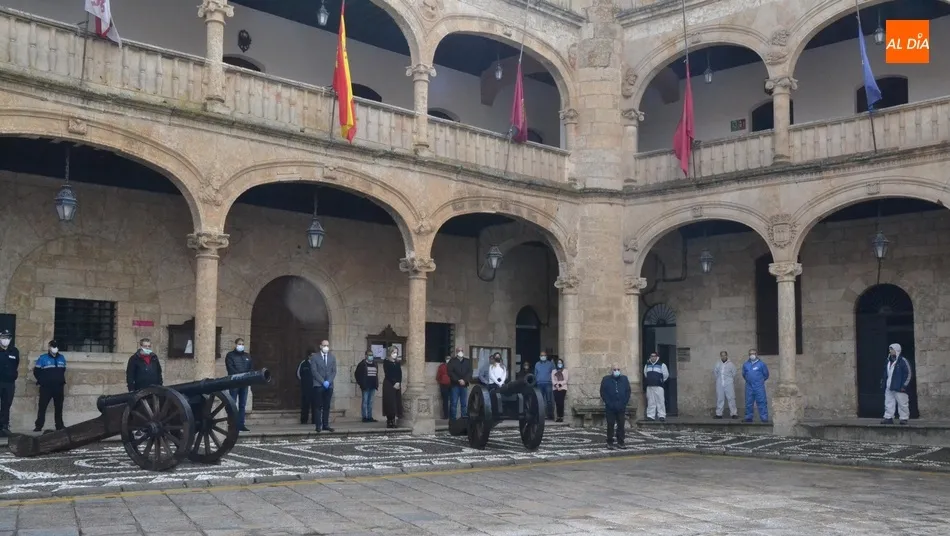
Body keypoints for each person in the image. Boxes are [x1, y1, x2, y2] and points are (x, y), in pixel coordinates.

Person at [33, 339, 67, 432]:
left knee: (59, 407)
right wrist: (42, 381)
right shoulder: (43, 358)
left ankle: (59, 425)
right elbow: (36, 371)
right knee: (42, 407)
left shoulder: (62, 358)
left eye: (56, 346)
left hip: (59, 387)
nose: (54, 348)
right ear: (49, 347)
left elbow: (63, 370)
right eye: (53, 346)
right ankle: (38, 426)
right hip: (46, 388)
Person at [224, 338, 253, 432]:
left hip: (245, 383)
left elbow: (251, 368)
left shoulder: (247, 356)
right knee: (233, 403)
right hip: (234, 382)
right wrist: (240, 376)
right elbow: (230, 368)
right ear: (235, 344)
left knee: (242, 404)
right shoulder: (230, 355)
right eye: (239, 344)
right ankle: (232, 424)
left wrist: (246, 377)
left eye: (242, 344)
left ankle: (241, 424)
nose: (241, 345)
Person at [600, 364, 631, 449]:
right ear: (611, 371)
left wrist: (624, 402)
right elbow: (603, 392)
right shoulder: (606, 379)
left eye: (618, 369)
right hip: (610, 406)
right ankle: (609, 442)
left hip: (621, 406)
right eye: (614, 369)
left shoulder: (624, 379)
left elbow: (628, 391)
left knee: (621, 425)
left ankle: (621, 442)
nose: (616, 371)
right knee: (610, 424)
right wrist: (608, 402)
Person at [308, 339, 337, 432]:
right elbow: (314, 371)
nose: (326, 347)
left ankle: (326, 425)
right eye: (324, 345)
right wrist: (322, 381)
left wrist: (328, 381)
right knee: (318, 406)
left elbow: (334, 371)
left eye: (327, 345)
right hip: (318, 385)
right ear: (320, 346)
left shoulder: (332, 357)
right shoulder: (315, 357)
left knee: (327, 406)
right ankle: (318, 426)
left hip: (329, 385)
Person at [881, 343, 913, 425]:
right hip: (889, 386)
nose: (890, 351)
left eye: (892, 349)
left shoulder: (903, 361)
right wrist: (883, 383)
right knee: (888, 402)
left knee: (902, 403)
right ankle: (888, 417)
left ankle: (904, 418)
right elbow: (885, 373)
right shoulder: (888, 361)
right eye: (890, 349)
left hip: (899, 386)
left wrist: (904, 386)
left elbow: (908, 373)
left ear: (897, 350)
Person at [0, 330, 20, 436]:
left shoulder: (14, 351)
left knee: (6, 405)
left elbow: (16, 364)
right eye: (3, 337)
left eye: (8, 337)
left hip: (9, 383)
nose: (5, 340)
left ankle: (4, 426)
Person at [742, 348, 770, 423]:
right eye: (750, 354)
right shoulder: (746, 364)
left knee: (761, 402)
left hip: (759, 386)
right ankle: (748, 417)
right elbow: (744, 375)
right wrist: (750, 381)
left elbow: (766, 375)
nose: (752, 355)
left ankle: (764, 418)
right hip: (749, 386)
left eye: (753, 353)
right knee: (748, 402)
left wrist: (759, 381)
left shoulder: (761, 364)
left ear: (756, 354)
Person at [643, 352, 669, 422]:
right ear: (650, 357)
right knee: (651, 401)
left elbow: (666, 375)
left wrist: (660, 381)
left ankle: (661, 415)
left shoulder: (662, 365)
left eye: (654, 356)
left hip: (659, 386)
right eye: (652, 356)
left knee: (660, 401)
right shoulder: (647, 365)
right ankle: (650, 416)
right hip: (650, 386)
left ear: (657, 357)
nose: (653, 357)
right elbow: (645, 374)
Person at [354, 350, 379, 423]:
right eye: (369, 355)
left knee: (370, 402)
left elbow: (376, 375)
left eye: (372, 355)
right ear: (366, 356)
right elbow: (357, 374)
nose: (371, 356)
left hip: (372, 385)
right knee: (365, 401)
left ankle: (370, 417)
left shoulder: (375, 364)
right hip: (365, 386)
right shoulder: (362, 364)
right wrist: (361, 383)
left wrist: (376, 384)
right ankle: (364, 417)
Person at [447, 347, 471, 420]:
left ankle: (464, 418)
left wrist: (465, 380)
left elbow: (470, 372)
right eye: (458, 351)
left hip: (464, 385)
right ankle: (453, 419)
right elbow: (450, 372)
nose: (460, 352)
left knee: (464, 404)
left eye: (461, 350)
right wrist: (458, 380)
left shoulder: (467, 361)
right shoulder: (452, 361)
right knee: (454, 403)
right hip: (455, 385)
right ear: (456, 352)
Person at [382, 347, 403, 428]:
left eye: (396, 352)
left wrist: (398, 382)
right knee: (389, 402)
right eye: (394, 352)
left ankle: (393, 420)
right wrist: (394, 383)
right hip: (389, 383)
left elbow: (399, 373)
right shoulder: (386, 362)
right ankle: (389, 421)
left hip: (397, 384)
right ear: (390, 353)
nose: (395, 354)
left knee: (396, 402)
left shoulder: (397, 363)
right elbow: (387, 373)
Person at [714, 350, 738, 419]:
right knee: (720, 398)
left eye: (724, 355)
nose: (723, 356)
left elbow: (734, 373)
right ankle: (719, 414)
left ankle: (734, 413)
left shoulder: (731, 364)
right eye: (722, 355)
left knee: (731, 398)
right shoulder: (717, 364)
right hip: (720, 384)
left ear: (727, 356)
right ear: (720, 356)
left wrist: (729, 380)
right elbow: (715, 373)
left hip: (729, 384)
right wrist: (720, 380)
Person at [534, 351, 555, 420]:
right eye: (541, 355)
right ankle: (540, 416)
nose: (543, 357)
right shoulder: (537, 364)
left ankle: (550, 415)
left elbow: (554, 373)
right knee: (540, 400)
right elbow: (535, 374)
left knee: (549, 400)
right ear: (540, 357)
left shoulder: (550, 364)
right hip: (539, 384)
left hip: (548, 383)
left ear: (546, 356)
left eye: (544, 355)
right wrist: (536, 381)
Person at [296, 352, 313, 425]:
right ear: (309, 356)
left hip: (315, 388)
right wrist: (305, 382)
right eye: (312, 355)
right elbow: (298, 374)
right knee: (305, 404)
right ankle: (304, 420)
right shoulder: (304, 363)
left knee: (315, 405)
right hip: (306, 388)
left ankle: (315, 420)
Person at [436, 355, 452, 419]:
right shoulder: (441, 366)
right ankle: (446, 416)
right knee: (445, 401)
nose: (448, 360)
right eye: (447, 359)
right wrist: (442, 381)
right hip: (444, 385)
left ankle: (450, 415)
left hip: (451, 385)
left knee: (452, 401)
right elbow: (438, 377)